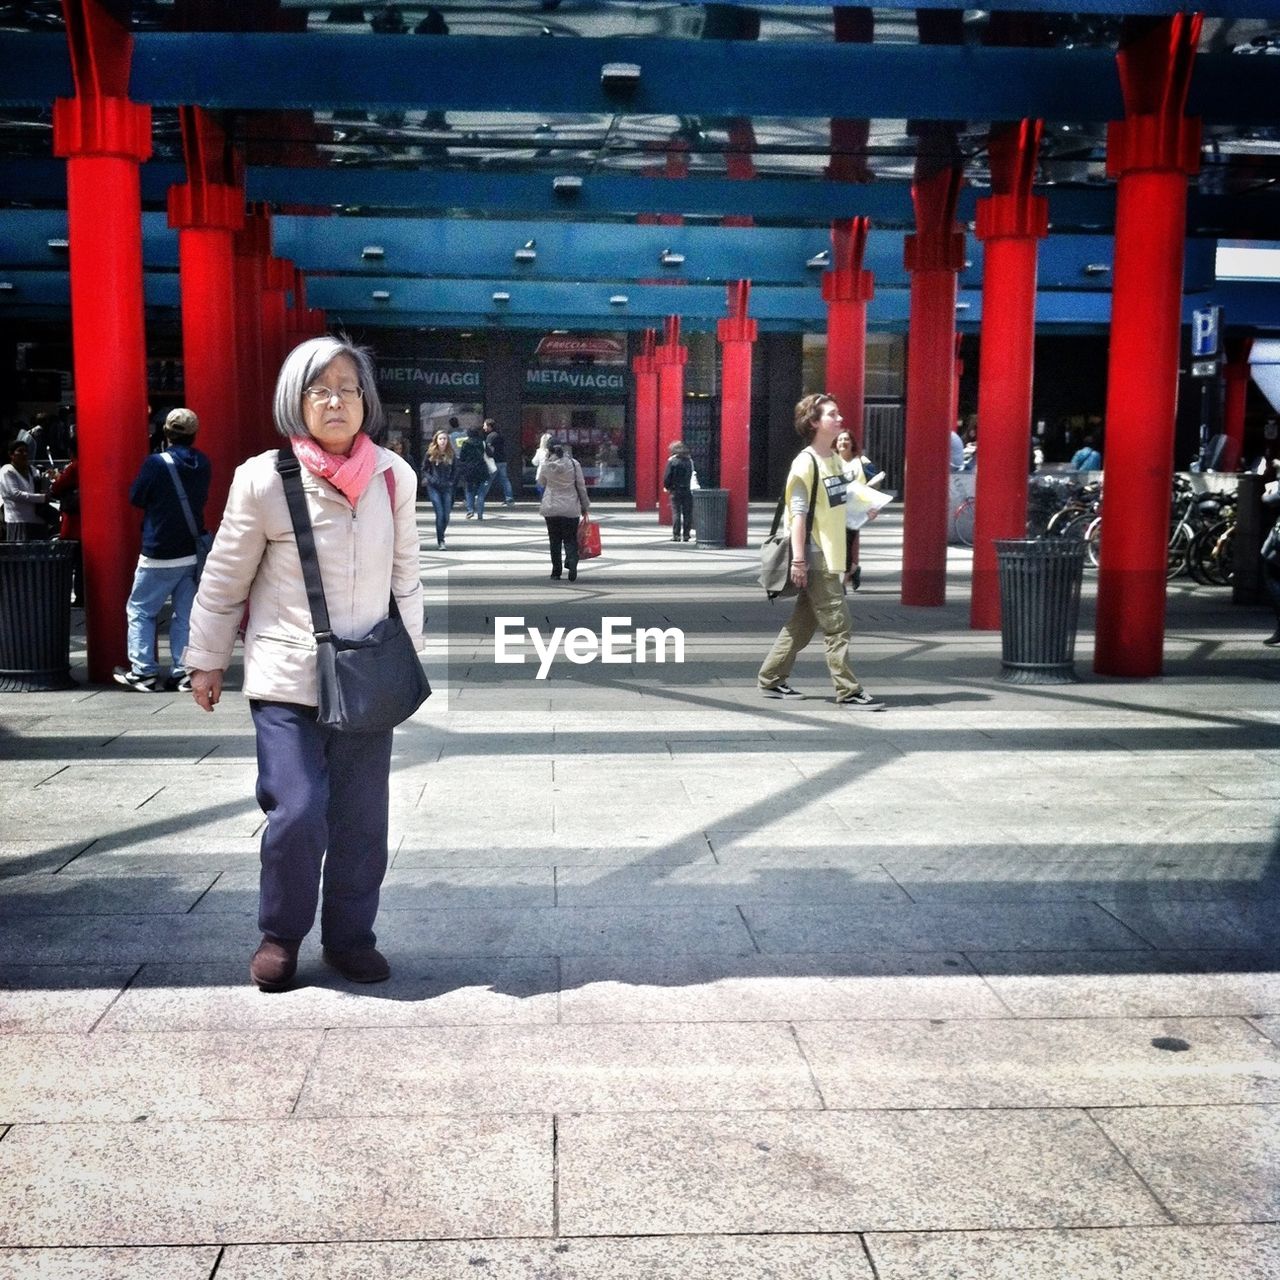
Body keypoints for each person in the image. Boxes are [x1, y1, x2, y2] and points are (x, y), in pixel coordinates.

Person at [184, 335, 424, 992]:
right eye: (321, 389)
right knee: (298, 808)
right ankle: (280, 935)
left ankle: (350, 938)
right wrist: (206, 660)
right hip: (285, 675)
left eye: (348, 388)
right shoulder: (263, 479)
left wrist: (412, 664)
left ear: (366, 401)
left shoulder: (392, 477)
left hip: (367, 676)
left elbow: (407, 578)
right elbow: (225, 576)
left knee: (361, 818)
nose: (336, 400)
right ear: (297, 400)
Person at [757, 394, 885, 710]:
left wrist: (863, 510)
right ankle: (848, 690)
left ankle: (771, 678)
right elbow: (797, 514)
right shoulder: (806, 463)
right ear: (814, 422)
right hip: (815, 555)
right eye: (832, 414)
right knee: (838, 624)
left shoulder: (834, 461)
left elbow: (838, 508)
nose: (840, 419)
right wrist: (798, 560)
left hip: (831, 552)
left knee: (803, 623)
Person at [111, 408, 210, 692]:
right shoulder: (203, 462)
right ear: (194, 434)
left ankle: (144, 672)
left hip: (159, 550)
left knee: (141, 610)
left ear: (166, 432)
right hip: (191, 550)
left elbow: (136, 496)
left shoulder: (155, 464)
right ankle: (182, 672)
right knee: (185, 614)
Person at [834, 429, 883, 592]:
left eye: (846, 439)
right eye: (840, 440)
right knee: (835, 546)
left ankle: (842, 582)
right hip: (834, 510)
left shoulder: (862, 462)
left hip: (854, 512)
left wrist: (874, 506)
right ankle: (853, 569)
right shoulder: (831, 462)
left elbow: (876, 482)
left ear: (852, 443)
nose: (843, 442)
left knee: (845, 545)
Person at [537, 438, 590, 581]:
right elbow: (581, 486)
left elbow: (541, 482)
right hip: (570, 507)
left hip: (551, 506)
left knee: (554, 540)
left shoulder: (546, 465)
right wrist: (585, 505)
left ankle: (556, 572)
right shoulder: (574, 464)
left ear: (548, 450)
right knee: (570, 538)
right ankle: (572, 560)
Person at [0, 439, 51, 541]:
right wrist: (41, 498)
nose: (24, 454)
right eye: (20, 451)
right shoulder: (7, 471)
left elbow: (40, 485)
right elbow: (15, 494)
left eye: (26, 451)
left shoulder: (32, 470)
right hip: (18, 521)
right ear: (11, 454)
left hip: (37, 520)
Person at [422, 428, 457, 549]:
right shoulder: (430, 453)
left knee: (446, 515)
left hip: (447, 487)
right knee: (440, 513)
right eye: (440, 439)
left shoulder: (451, 454)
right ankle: (441, 540)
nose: (443, 441)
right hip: (434, 487)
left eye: (445, 439)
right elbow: (424, 469)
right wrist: (431, 479)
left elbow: (456, 470)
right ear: (436, 440)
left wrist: (451, 481)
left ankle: (441, 532)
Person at [663, 440, 694, 543]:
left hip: (675, 490)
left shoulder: (672, 461)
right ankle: (686, 535)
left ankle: (676, 535)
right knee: (687, 513)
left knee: (676, 513)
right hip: (687, 489)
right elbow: (691, 474)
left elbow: (667, 476)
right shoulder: (689, 461)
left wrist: (667, 487)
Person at [457, 423, 490, 520]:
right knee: (481, 493)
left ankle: (470, 510)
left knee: (469, 490)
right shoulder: (482, 442)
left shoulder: (466, 443)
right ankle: (480, 514)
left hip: (469, 469)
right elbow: (489, 453)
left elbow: (462, 457)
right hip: (481, 468)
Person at [483, 418, 515, 506]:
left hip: (493, 461)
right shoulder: (499, 435)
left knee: (487, 480)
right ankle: (509, 499)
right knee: (505, 480)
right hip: (502, 460)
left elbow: (489, 450)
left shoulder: (490, 436)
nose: (483, 427)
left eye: (485, 425)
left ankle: (480, 496)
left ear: (489, 426)